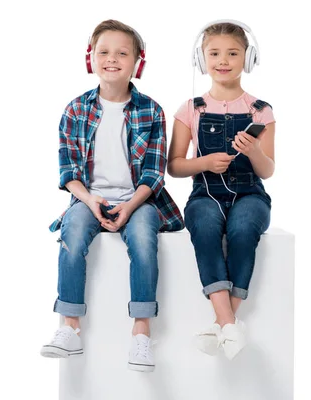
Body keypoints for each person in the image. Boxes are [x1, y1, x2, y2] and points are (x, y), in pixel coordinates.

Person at [40, 19, 184, 373]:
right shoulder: (75, 110)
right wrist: (90, 202)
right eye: (104, 52)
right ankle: (69, 327)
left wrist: (131, 204)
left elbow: (153, 172)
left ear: (139, 61)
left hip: (139, 200)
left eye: (122, 52)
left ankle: (141, 332)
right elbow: (69, 173)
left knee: (142, 237)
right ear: (91, 59)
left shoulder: (151, 110)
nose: (112, 59)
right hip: (89, 199)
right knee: (72, 231)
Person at [168, 20, 275, 360]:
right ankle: (230, 323)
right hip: (205, 193)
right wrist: (204, 163)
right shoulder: (191, 109)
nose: (223, 60)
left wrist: (254, 151)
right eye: (214, 53)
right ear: (202, 59)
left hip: (250, 193)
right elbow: (174, 165)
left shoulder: (262, 111)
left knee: (243, 229)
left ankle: (221, 322)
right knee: (205, 227)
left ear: (248, 58)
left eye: (233, 53)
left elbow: (268, 170)